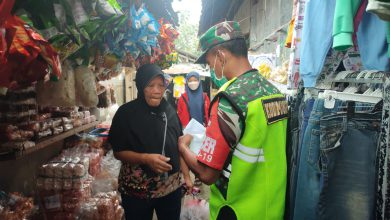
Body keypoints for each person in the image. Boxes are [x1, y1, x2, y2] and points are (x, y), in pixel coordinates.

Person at [178, 21, 288, 220]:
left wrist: (183, 147)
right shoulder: (274, 92)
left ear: (221, 55)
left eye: (210, 63)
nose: (211, 69)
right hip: (272, 207)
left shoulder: (230, 99)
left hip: (237, 210)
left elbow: (207, 174)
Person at [108, 64, 191, 220]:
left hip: (170, 189)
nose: (157, 90)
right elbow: (118, 151)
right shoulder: (126, 113)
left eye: (161, 85)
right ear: (141, 86)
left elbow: (179, 144)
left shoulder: (170, 111)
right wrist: (145, 158)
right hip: (137, 190)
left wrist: (186, 177)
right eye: (150, 85)